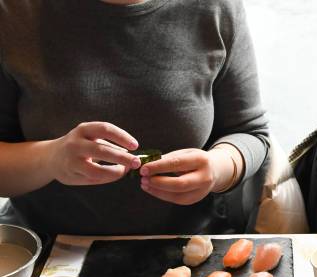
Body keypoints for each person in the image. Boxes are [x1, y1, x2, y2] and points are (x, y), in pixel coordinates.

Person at [0, 0, 269, 235]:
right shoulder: (14, 12)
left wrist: (218, 167)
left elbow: (250, 132)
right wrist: (51, 158)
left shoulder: (215, 7)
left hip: (186, 250)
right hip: (44, 255)